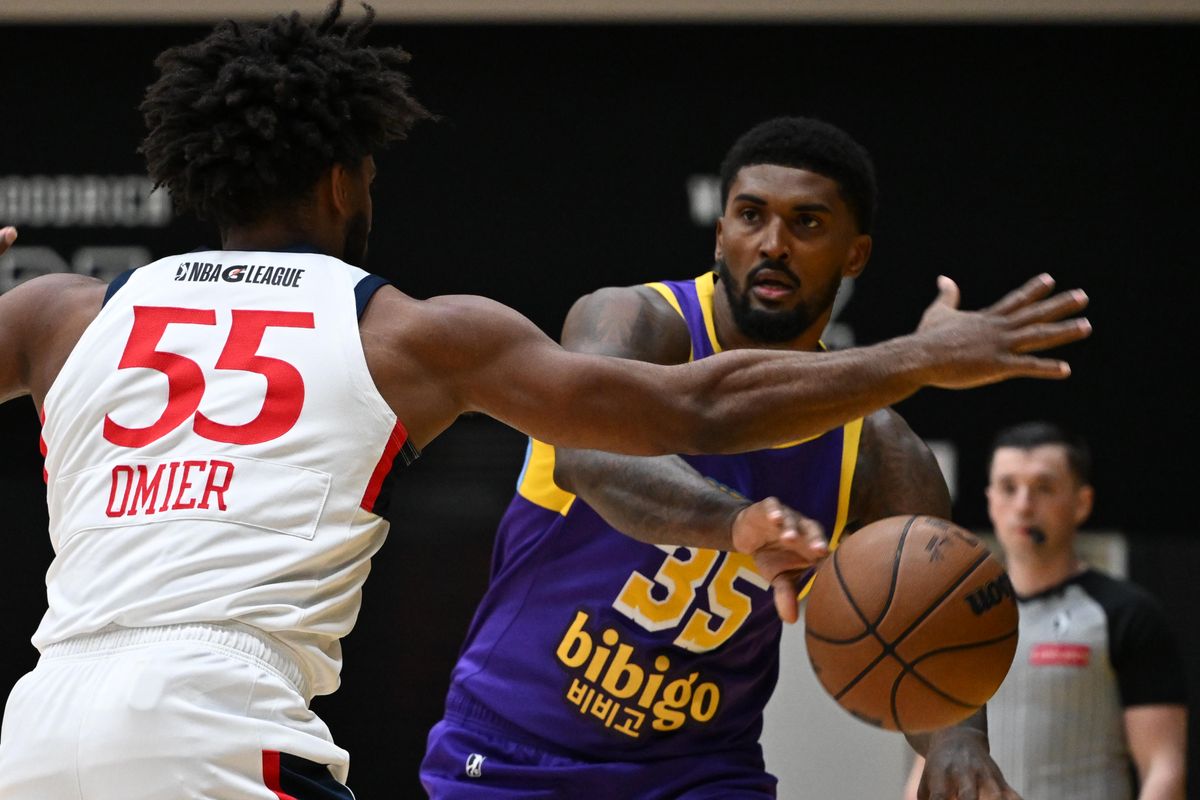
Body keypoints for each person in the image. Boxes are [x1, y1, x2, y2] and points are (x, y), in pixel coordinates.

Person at [0, 2, 1091, 797]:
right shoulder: (412, 332)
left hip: (40, 717)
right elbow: (694, 412)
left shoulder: (57, 310)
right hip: (227, 717)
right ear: (340, 183)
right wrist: (916, 356)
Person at [420, 116, 1034, 799]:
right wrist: (736, 524)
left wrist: (957, 744)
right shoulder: (634, 322)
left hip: (701, 773)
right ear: (721, 235)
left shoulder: (881, 452)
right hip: (519, 751)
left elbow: (933, 625)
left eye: (806, 223)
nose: (773, 244)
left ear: (854, 255)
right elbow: (591, 457)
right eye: (750, 216)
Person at [904, 421, 1187, 800]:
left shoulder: (1128, 614)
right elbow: (934, 758)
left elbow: (1163, 768)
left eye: (1043, 488)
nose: (1023, 505)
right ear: (990, 499)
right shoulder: (955, 618)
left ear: (1082, 502)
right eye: (1008, 488)